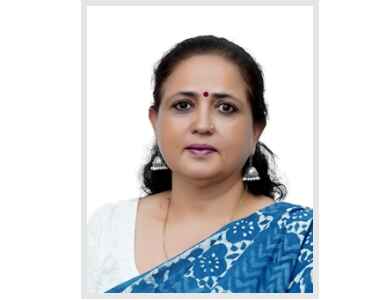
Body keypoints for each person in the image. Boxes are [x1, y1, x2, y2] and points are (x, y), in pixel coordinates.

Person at [87, 35, 313, 294]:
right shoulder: (108, 229)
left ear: (256, 129)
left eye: (226, 108)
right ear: (155, 121)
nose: (203, 125)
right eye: (183, 105)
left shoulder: (298, 238)